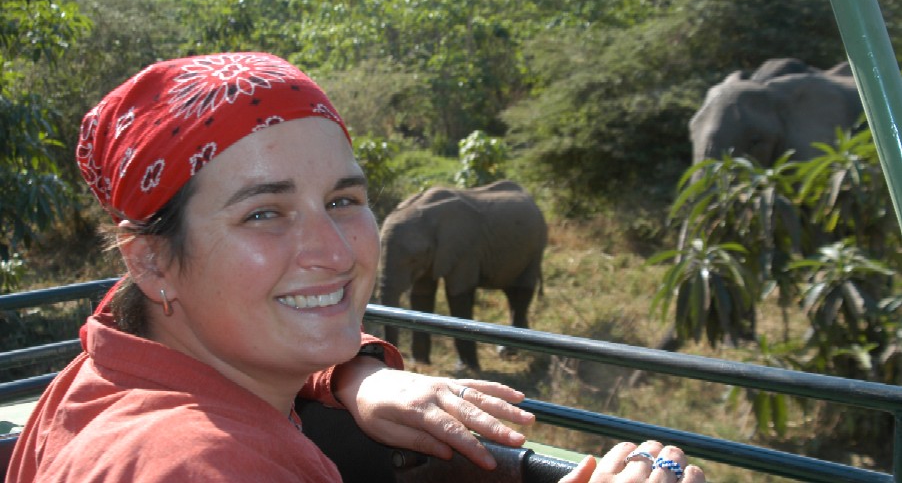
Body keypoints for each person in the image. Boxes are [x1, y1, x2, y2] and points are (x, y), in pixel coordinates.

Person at [5, 52, 704, 483]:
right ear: (150, 260)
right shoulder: (201, 463)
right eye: (264, 213)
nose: (338, 253)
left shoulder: (106, 367)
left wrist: (354, 374)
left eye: (344, 199)